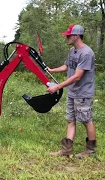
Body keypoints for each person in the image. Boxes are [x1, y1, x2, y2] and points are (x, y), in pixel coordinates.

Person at [47, 24, 96, 158]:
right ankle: (66, 150)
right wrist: (52, 70)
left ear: (77, 36)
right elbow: (67, 66)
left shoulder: (86, 53)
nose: (67, 37)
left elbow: (77, 76)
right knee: (70, 120)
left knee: (86, 120)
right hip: (73, 92)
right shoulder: (73, 51)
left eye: (69, 35)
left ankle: (90, 151)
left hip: (83, 93)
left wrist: (57, 87)